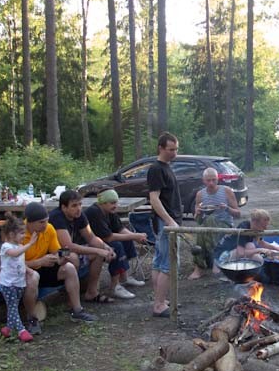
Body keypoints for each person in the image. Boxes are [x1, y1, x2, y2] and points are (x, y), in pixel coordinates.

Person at [22, 202, 97, 325]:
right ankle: (32, 318)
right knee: (33, 278)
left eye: (46, 221)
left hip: (44, 267)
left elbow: (57, 251)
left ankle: (77, 310)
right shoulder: (19, 233)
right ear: (29, 222)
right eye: (41, 222)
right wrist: (39, 261)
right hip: (24, 271)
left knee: (69, 267)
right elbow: (14, 264)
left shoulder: (49, 228)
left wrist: (62, 256)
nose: (45, 225)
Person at [49, 190, 117, 304]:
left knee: (97, 253)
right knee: (72, 256)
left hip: (69, 249)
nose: (78, 208)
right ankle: (71, 301)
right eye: (74, 206)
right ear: (64, 207)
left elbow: (91, 237)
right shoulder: (57, 217)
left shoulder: (79, 215)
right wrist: (99, 250)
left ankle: (92, 293)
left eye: (80, 204)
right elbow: (68, 246)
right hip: (54, 252)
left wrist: (105, 247)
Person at [84, 189, 148, 300]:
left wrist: (136, 236)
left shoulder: (109, 211)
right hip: (90, 243)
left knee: (126, 239)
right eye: (113, 203)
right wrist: (134, 236)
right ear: (103, 203)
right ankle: (115, 287)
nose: (116, 205)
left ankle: (125, 277)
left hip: (102, 240)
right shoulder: (94, 212)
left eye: (116, 202)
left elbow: (120, 229)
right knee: (117, 245)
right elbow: (108, 237)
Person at [147, 132, 183, 318]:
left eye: (176, 149)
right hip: (165, 223)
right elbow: (154, 199)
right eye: (171, 149)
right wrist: (169, 221)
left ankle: (159, 300)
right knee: (168, 263)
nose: (174, 153)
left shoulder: (166, 166)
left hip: (169, 221)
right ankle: (159, 305)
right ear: (161, 148)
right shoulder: (156, 169)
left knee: (160, 261)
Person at [189, 167, 241, 280]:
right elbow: (198, 220)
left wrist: (227, 208)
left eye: (214, 180)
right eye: (208, 180)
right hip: (208, 227)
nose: (211, 183)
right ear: (203, 180)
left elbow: (238, 214)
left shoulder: (226, 191)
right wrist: (198, 213)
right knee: (207, 222)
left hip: (225, 225)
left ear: (218, 179)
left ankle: (199, 267)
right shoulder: (200, 194)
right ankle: (215, 263)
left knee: (207, 223)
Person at [0, 214, 38, 342]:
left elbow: (20, 261)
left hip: (19, 282)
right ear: (10, 234)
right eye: (21, 233)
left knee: (13, 306)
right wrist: (30, 244)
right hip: (8, 283)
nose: (24, 236)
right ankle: (22, 330)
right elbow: (15, 255)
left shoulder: (20, 247)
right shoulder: (6, 247)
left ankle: (8, 329)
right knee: (13, 307)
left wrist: (28, 270)